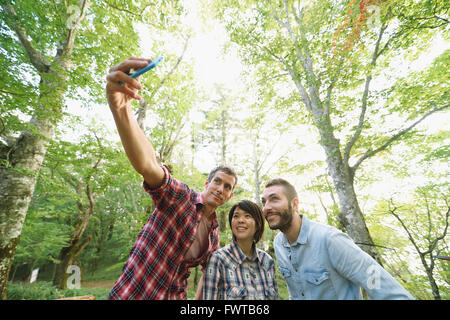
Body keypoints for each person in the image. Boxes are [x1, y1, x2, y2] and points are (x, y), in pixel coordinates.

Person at [105, 57, 237, 299]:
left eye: (227, 187)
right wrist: (121, 108)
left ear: (229, 196)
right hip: (135, 293)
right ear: (207, 183)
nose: (220, 188)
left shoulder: (214, 233)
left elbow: (211, 274)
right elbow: (149, 166)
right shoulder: (181, 197)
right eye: (217, 181)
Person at [261, 178, 415, 300]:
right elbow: (296, 293)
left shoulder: (330, 240)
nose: (266, 207)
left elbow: (382, 286)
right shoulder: (279, 244)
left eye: (274, 199)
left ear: (295, 204)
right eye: (264, 202)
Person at [202, 200, 279, 300]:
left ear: (258, 223)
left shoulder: (267, 261)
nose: (240, 220)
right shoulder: (218, 259)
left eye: (247, 216)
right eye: (236, 216)